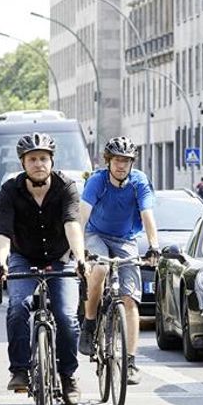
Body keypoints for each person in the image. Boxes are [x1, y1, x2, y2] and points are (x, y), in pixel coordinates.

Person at [0, 132, 87, 405]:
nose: (38, 164)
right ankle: (20, 370)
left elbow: (72, 223)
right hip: (23, 256)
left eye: (43, 158)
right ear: (23, 163)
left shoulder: (66, 187)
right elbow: (3, 233)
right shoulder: (10, 190)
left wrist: (79, 258)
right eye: (32, 159)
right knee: (18, 308)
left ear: (51, 161)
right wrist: (1, 262)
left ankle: (68, 375)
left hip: (60, 257)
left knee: (67, 316)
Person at [78, 136, 159, 385]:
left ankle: (131, 362)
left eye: (126, 161)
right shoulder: (97, 181)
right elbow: (82, 216)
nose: (121, 165)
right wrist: (77, 250)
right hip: (95, 234)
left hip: (125, 239)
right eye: (116, 160)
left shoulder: (139, 182)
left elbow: (147, 215)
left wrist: (154, 246)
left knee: (130, 299)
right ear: (108, 161)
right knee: (100, 268)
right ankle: (90, 324)